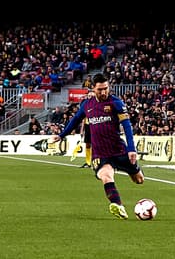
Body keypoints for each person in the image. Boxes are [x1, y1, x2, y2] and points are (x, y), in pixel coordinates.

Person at [53, 73, 144, 219]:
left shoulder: (116, 103)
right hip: (100, 153)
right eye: (100, 89)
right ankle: (118, 206)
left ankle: (131, 174)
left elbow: (127, 126)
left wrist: (131, 149)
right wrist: (62, 135)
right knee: (106, 176)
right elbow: (75, 120)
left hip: (119, 150)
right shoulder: (87, 105)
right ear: (93, 89)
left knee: (139, 180)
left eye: (106, 89)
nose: (103, 92)